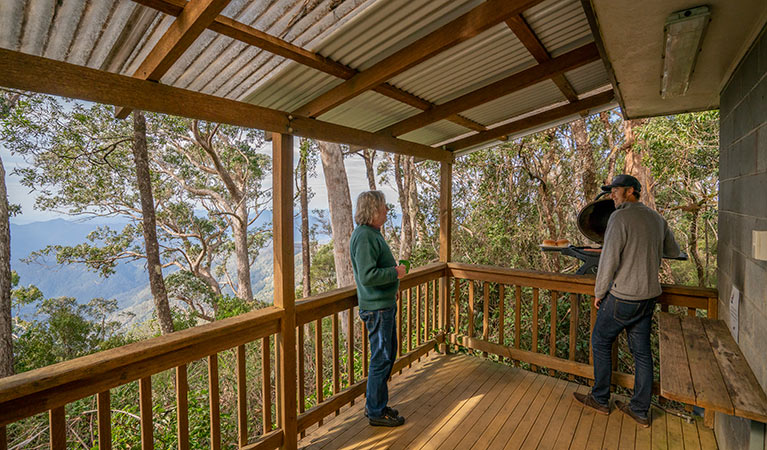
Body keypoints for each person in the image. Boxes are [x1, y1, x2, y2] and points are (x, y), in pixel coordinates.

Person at [573, 174, 681, 428]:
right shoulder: (656, 218)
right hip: (648, 297)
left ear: (632, 191)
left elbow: (609, 259)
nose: (612, 194)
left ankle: (600, 399)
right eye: (611, 190)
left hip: (624, 296)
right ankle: (640, 409)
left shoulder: (619, 217)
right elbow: (674, 251)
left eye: (616, 190)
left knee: (600, 341)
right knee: (642, 353)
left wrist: (599, 292)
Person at [350, 191, 407, 427]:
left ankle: (378, 405)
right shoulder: (364, 236)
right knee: (381, 359)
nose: (386, 210)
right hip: (377, 310)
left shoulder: (371, 233)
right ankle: (375, 411)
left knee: (386, 356)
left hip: (382, 306)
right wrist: (396, 273)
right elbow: (367, 275)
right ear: (372, 210)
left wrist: (391, 285)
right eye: (383, 206)